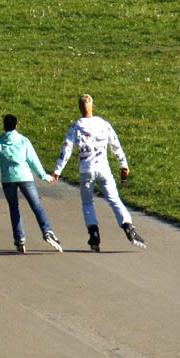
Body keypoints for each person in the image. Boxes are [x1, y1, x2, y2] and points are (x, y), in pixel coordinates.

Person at [52, 94, 145, 252]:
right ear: (92, 107)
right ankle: (128, 227)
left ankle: (94, 234)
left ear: (80, 108)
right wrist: (123, 164)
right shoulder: (104, 124)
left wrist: (57, 170)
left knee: (88, 203)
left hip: (86, 170)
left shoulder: (76, 127)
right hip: (103, 169)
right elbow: (115, 145)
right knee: (114, 199)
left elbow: (66, 149)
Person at [0, 114, 62, 254]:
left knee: (14, 208)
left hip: (8, 179)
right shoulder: (23, 141)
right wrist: (44, 176)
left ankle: (20, 240)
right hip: (25, 177)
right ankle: (47, 231)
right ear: (16, 126)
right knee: (37, 206)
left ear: (4, 126)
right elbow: (33, 161)